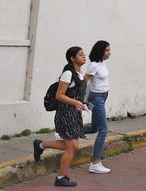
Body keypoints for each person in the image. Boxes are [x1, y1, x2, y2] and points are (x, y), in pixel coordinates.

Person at [33, 47, 88, 187]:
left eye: (84, 54)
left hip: (74, 114)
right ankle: (61, 178)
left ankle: (41, 144)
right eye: (80, 55)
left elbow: (77, 94)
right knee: (72, 146)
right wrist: (75, 102)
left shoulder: (79, 74)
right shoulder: (68, 74)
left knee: (71, 145)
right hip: (65, 114)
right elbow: (59, 95)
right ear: (72, 58)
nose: (84, 56)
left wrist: (82, 104)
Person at [82, 40, 111, 174]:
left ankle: (64, 132)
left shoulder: (102, 63)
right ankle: (95, 163)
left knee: (94, 127)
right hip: (96, 98)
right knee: (103, 130)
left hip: (103, 96)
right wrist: (82, 100)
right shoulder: (93, 65)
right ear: (100, 51)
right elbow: (84, 82)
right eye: (107, 50)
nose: (109, 52)